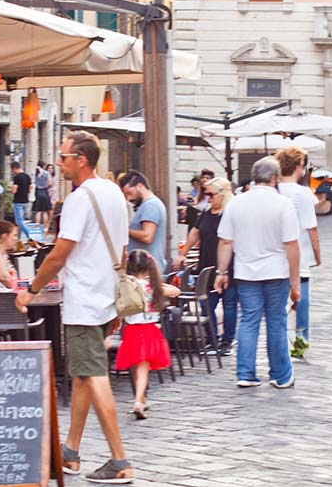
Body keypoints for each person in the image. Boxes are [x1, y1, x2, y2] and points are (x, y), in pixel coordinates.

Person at [15, 130, 133, 484]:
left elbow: (61, 252)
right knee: (83, 374)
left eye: (63, 157)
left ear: (80, 160)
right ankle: (71, 451)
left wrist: (31, 290)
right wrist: (115, 301)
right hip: (104, 295)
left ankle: (119, 460)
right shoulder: (113, 192)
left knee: (94, 375)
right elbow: (122, 251)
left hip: (84, 298)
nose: (59, 163)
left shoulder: (81, 199)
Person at [215, 157, 300, 390]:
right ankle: (281, 375)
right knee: (276, 322)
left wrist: (221, 271)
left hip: (246, 270)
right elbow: (291, 245)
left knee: (249, 321)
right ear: (274, 178)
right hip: (276, 271)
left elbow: (225, 242)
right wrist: (295, 281)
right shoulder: (283, 204)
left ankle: (245, 373)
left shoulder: (236, 202)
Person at [174, 177, 237, 356]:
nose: (207, 197)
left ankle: (227, 342)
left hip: (229, 266)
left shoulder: (231, 213)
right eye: (206, 194)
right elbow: (195, 233)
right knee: (206, 304)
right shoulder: (207, 212)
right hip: (207, 266)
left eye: (211, 194)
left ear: (223, 194)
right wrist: (183, 253)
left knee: (229, 304)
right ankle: (212, 340)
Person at [115, 249, 180, 419]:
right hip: (149, 330)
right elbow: (175, 291)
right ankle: (138, 401)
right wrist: (158, 283)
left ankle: (141, 398)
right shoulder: (151, 286)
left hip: (131, 331)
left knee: (136, 368)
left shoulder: (126, 285)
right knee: (144, 369)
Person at [275, 146, 321, 360]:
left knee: (277, 306)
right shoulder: (303, 193)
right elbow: (311, 228)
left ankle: (279, 343)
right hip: (299, 256)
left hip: (274, 256)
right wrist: (317, 255)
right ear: (299, 166)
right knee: (301, 303)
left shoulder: (273, 189)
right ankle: (300, 345)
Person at [119, 171, 167, 273]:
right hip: (144, 268)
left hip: (146, 270)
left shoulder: (151, 206)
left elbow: (147, 236)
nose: (128, 198)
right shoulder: (148, 205)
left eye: (129, 193)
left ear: (140, 186)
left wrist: (123, 229)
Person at [10, 161, 31, 231]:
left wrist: (8, 189)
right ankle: (18, 238)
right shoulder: (28, 176)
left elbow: (14, 191)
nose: (13, 172)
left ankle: (30, 235)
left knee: (19, 221)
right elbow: (30, 189)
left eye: (12, 170)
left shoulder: (17, 177)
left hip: (18, 201)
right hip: (26, 200)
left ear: (14, 168)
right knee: (21, 222)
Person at [34, 162, 53, 228]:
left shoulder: (35, 173)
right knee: (45, 211)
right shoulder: (46, 173)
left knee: (38, 211)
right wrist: (46, 186)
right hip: (44, 191)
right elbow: (50, 183)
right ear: (44, 166)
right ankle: (45, 227)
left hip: (37, 191)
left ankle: (37, 226)